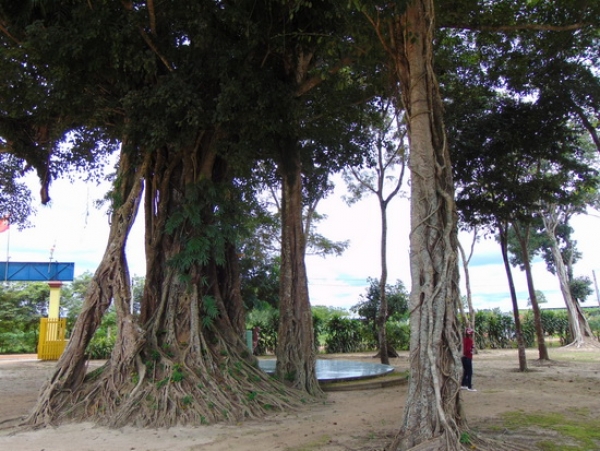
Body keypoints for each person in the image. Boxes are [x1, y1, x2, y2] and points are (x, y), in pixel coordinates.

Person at [461, 327, 477, 392]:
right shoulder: (470, 341)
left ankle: (463, 384)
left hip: (463, 358)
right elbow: (467, 349)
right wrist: (471, 350)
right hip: (468, 357)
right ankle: (469, 387)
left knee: (465, 372)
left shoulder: (463, 340)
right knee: (469, 372)